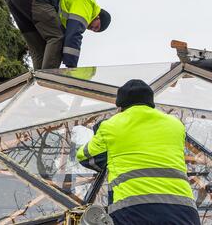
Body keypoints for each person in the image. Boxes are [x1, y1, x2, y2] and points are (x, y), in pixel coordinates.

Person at [76, 79, 200, 225]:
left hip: (135, 211)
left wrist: (99, 135)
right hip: (185, 211)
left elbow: (85, 157)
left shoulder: (111, 126)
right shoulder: (175, 125)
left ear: (121, 106)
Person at [5, 0, 110, 69]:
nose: (92, 29)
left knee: (39, 48)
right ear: (98, 17)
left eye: (94, 31)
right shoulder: (88, 4)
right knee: (57, 37)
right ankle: (48, 82)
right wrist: (71, 68)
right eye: (96, 27)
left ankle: (38, 84)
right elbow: (73, 35)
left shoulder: (69, 16)